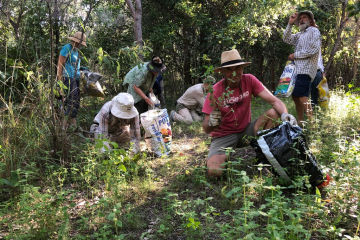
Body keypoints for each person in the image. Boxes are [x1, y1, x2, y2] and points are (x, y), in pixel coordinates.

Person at [202, 49, 296, 177]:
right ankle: (222, 157)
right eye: (229, 69)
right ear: (223, 72)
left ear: (242, 68)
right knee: (214, 171)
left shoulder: (249, 80)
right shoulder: (215, 91)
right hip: (223, 136)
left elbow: (275, 102)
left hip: (247, 131)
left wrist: (286, 115)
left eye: (238, 68)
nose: (234, 73)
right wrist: (213, 122)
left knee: (274, 114)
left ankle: (264, 152)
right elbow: (206, 129)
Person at [283, 10, 321, 125]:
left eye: (304, 17)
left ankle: (312, 124)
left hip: (306, 69)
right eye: (300, 18)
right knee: (295, 96)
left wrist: (295, 55)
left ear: (310, 20)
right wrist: (290, 24)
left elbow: (313, 49)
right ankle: (300, 123)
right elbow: (286, 38)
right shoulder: (300, 34)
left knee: (303, 97)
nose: (301, 20)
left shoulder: (314, 31)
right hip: (297, 70)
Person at [57, 31, 87, 129]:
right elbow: (60, 66)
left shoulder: (76, 51)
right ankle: (64, 127)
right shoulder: (66, 48)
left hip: (76, 78)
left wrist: (82, 69)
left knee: (75, 102)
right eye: (79, 43)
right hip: (68, 78)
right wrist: (60, 82)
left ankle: (73, 126)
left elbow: (74, 64)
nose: (79, 45)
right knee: (72, 102)